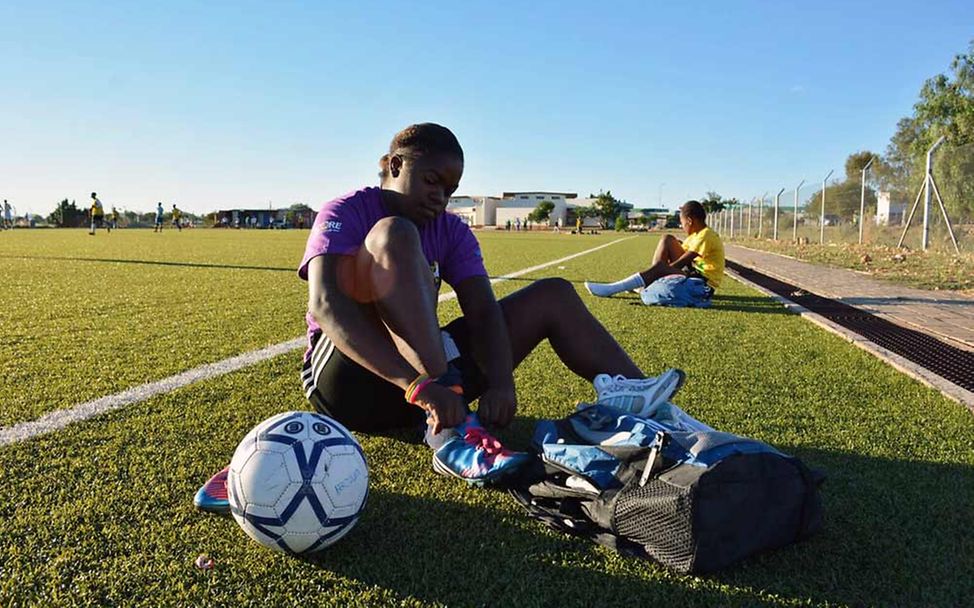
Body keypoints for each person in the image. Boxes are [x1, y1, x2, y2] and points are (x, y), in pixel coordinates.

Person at [194, 123, 680, 513]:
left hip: (425, 378)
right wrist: (417, 385)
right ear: (393, 165)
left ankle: (654, 417)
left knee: (553, 294)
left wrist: (501, 383)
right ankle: (449, 431)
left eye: (450, 189)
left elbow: (484, 313)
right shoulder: (347, 210)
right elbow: (327, 305)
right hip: (351, 381)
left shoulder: (449, 231)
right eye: (432, 181)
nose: (441, 198)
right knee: (394, 235)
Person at [584, 200, 724, 299]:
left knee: (660, 268)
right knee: (667, 239)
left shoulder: (706, 235)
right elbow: (680, 254)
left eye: (682, 223)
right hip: (692, 274)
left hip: (702, 284)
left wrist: (659, 270)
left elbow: (681, 263)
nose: (682, 227)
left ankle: (614, 288)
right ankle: (649, 283)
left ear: (690, 221)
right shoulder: (695, 235)